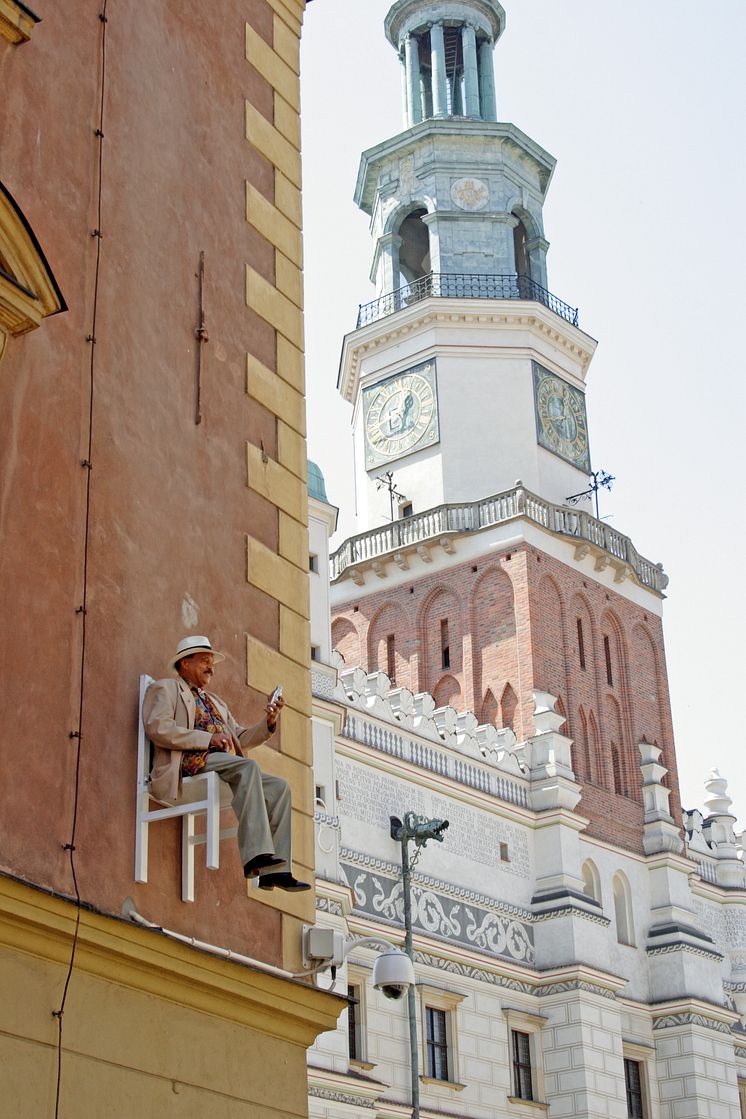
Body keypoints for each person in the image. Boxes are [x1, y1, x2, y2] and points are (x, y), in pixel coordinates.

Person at [142, 635, 310, 892]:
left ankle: (275, 871)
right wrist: (208, 738)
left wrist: (269, 721)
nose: (211, 667)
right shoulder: (166, 688)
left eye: (212, 662)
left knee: (280, 787)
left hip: (222, 764)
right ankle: (255, 856)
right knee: (248, 767)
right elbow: (158, 727)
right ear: (185, 663)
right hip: (188, 763)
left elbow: (240, 737)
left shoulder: (216, 703)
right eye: (204, 661)